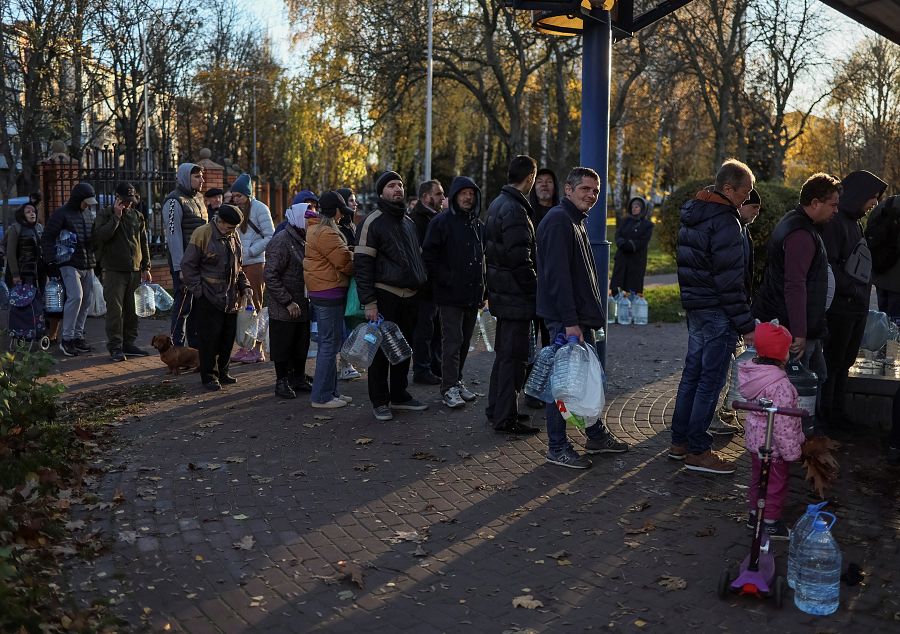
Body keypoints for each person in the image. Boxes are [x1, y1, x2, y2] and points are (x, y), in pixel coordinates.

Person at [536, 167, 628, 469]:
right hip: (567, 321)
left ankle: (595, 435)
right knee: (562, 384)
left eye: (596, 190)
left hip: (577, 318)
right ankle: (557, 447)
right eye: (585, 189)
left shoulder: (574, 220)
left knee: (584, 381)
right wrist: (570, 321)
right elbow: (558, 278)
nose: (592, 195)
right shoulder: (559, 221)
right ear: (569, 189)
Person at [669, 159, 757, 474]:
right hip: (718, 311)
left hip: (697, 307)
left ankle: (679, 442)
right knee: (710, 380)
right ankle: (697, 449)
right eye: (744, 192)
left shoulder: (695, 214)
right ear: (728, 188)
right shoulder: (725, 221)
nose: (746, 199)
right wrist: (747, 325)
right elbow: (730, 281)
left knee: (692, 374)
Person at [753, 173, 842, 436]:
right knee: (797, 387)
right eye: (833, 204)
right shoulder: (801, 233)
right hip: (793, 328)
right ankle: (792, 441)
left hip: (800, 325)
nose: (836, 210)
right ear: (815, 203)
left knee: (817, 378)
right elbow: (794, 285)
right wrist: (800, 333)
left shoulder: (800, 226)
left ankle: (803, 437)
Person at [354, 171, 429, 421]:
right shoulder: (371, 222)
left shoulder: (408, 222)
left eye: (400, 185)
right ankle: (380, 400)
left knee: (402, 349)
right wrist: (370, 303)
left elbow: (417, 258)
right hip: (385, 296)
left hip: (411, 297)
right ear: (381, 192)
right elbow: (362, 265)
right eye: (391, 185)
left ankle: (399, 395)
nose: (397, 189)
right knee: (379, 353)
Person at [820, 170, 886, 430]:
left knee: (845, 362)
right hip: (840, 308)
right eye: (872, 198)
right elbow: (831, 267)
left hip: (855, 307)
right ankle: (826, 417)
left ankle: (838, 414)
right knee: (833, 363)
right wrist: (853, 290)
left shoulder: (854, 222)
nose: (874, 204)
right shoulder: (836, 224)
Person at [484, 155, 541, 435]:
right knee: (514, 359)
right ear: (530, 178)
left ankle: (497, 408)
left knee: (504, 356)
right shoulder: (516, 210)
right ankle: (506, 417)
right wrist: (535, 291)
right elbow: (521, 260)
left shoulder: (497, 204)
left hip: (502, 294)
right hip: (516, 297)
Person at [422, 176, 485, 409]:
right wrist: (447, 280)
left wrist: (482, 288)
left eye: (472, 193)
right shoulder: (441, 222)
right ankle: (448, 387)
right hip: (449, 295)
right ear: (455, 195)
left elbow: (481, 259)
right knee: (452, 341)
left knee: (464, 341)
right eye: (463, 193)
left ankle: (456, 381)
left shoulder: (477, 225)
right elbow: (429, 257)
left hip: (471, 294)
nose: (468, 197)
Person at [737, 321, 804, 540]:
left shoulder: (755, 375)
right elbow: (783, 424)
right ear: (781, 354)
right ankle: (770, 522)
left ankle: (754, 514)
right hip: (773, 447)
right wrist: (791, 451)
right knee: (775, 483)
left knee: (757, 479)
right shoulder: (780, 384)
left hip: (755, 442)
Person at [709, 188, 763, 436]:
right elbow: (733, 280)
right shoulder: (732, 230)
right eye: (753, 208)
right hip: (723, 311)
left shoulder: (740, 230)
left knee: (719, 366)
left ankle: (712, 414)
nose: (756, 214)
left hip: (722, 310)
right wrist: (743, 320)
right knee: (717, 369)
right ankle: (708, 419)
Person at [180, 204, 250, 390]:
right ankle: (209, 376)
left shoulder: (233, 235)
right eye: (229, 227)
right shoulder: (202, 233)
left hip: (231, 298)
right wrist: (198, 290)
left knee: (227, 338)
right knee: (209, 339)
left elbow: (239, 267)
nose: (232, 231)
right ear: (219, 221)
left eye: (234, 228)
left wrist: (245, 287)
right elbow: (188, 265)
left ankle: (223, 371)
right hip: (209, 297)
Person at [304, 191, 355, 408]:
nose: (342, 216)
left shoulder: (316, 229)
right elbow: (345, 263)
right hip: (329, 292)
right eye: (341, 212)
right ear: (335, 211)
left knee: (331, 343)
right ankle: (322, 397)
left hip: (322, 291)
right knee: (329, 345)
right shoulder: (327, 233)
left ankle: (331, 392)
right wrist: (357, 257)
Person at [93, 183, 152, 361]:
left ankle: (129, 343)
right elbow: (101, 236)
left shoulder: (137, 216)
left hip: (134, 270)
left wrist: (146, 267)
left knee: (132, 310)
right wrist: (116, 218)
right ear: (116, 197)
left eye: (130, 201)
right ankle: (115, 346)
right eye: (124, 201)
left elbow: (143, 242)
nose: (127, 204)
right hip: (113, 271)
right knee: (115, 311)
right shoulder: (105, 214)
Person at [42, 182, 99, 357]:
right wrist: (50, 262)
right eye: (86, 201)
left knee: (87, 300)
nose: (88, 204)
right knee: (76, 297)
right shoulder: (61, 214)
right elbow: (47, 237)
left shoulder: (89, 214)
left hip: (87, 263)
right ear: (78, 199)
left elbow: (93, 237)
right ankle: (66, 340)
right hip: (68, 263)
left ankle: (77, 337)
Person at [264, 203, 312, 399]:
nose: (312, 222)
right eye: (309, 219)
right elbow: (270, 275)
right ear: (300, 219)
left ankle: (298, 377)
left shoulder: (303, 239)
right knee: (283, 345)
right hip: (284, 306)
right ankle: (282, 381)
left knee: (301, 343)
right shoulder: (282, 240)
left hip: (302, 302)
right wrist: (287, 301)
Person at [230, 173, 275, 364]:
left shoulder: (260, 209)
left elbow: (270, 235)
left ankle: (257, 349)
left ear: (248, 195)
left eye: (239, 196)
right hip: (240, 264)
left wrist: (250, 251)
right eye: (234, 196)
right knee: (242, 308)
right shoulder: (236, 210)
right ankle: (245, 346)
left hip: (256, 264)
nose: (236, 199)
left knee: (255, 306)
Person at [164, 163, 207, 348]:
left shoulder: (199, 198)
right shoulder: (174, 201)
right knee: (183, 306)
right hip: (185, 263)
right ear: (184, 177)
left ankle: (194, 347)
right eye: (197, 176)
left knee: (198, 307)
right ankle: (176, 346)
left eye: (201, 176)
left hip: (201, 262)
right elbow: (173, 236)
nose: (201, 180)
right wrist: (180, 267)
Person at [410, 180, 445, 385]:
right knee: (424, 328)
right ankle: (422, 369)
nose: (442, 198)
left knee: (435, 328)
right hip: (425, 285)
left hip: (435, 284)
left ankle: (434, 365)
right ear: (426, 197)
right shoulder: (418, 220)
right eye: (438, 194)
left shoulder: (435, 217)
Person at [335, 186, 362, 381]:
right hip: (341, 283)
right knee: (344, 325)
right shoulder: (337, 228)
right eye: (351, 200)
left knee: (352, 323)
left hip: (352, 282)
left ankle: (348, 361)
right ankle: (344, 363)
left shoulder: (352, 225)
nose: (355, 203)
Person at [609, 197, 654, 295]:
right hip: (622, 257)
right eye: (633, 206)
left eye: (637, 206)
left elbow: (643, 240)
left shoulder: (647, 225)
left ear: (642, 208)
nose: (634, 208)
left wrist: (630, 245)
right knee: (617, 286)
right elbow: (618, 234)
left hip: (636, 260)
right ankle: (616, 307)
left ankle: (633, 308)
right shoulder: (625, 221)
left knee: (633, 287)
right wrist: (621, 243)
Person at [868, 194, 900, 321]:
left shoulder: (886, 204)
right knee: (895, 330)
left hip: (880, 274)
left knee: (883, 322)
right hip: (897, 283)